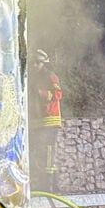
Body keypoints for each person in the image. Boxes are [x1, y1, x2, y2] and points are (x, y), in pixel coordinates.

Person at [28, 49, 63, 191]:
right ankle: (44, 184)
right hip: (38, 121)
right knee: (39, 152)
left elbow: (58, 94)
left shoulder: (50, 76)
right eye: (33, 63)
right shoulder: (33, 77)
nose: (35, 65)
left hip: (50, 120)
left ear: (44, 63)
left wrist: (41, 93)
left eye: (38, 63)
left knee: (48, 153)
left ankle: (49, 186)